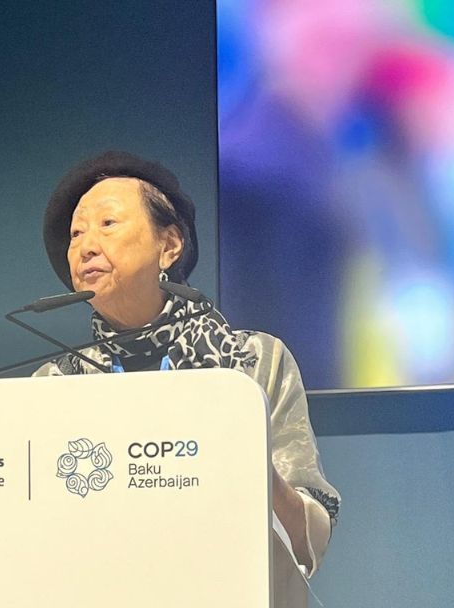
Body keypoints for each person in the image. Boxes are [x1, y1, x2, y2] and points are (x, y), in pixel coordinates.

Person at [34, 150, 340, 574]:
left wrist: (256, 470)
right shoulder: (55, 383)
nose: (86, 247)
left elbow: (310, 541)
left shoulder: (251, 363)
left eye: (107, 224)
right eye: (76, 233)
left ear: (170, 246)